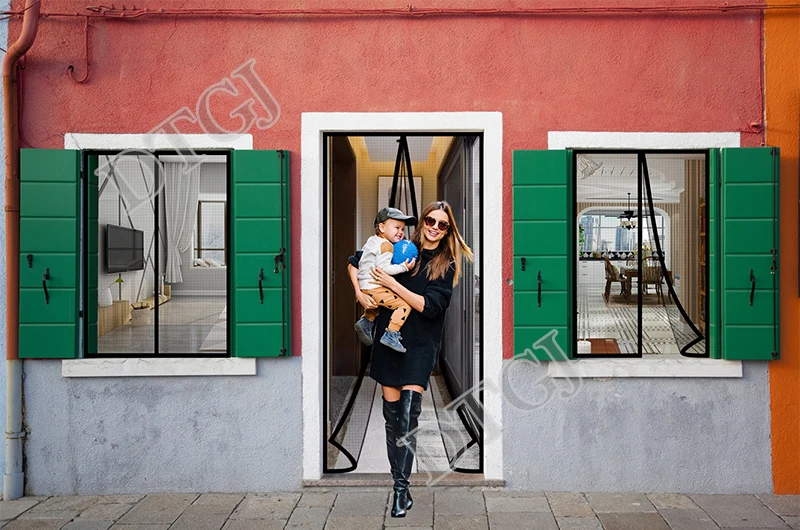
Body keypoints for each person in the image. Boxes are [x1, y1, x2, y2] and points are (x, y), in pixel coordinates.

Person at [347, 200, 473, 518]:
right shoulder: (400, 246)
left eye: (442, 224)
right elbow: (354, 262)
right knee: (392, 420)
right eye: (431, 220)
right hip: (389, 342)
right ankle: (399, 487)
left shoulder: (446, 264)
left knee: (407, 415)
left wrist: (392, 284)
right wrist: (360, 292)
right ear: (423, 221)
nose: (434, 227)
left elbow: (430, 307)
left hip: (420, 347)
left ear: (448, 230)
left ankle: (401, 491)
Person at [354, 207, 417, 352]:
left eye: (402, 229)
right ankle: (391, 334)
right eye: (396, 227)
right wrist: (404, 267)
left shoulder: (372, 240)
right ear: (382, 227)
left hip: (365, 285)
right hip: (374, 286)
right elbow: (384, 270)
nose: (401, 232)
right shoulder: (386, 245)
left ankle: (366, 321)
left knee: (378, 304)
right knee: (404, 306)